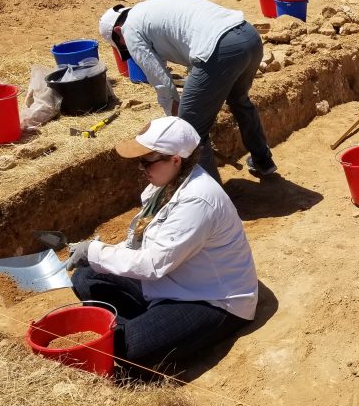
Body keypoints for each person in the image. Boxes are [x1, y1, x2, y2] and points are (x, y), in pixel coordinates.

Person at [66, 116, 259, 378]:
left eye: (147, 161)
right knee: (86, 277)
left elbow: (152, 264)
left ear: (175, 159)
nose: (141, 167)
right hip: (174, 280)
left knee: (127, 348)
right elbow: (142, 243)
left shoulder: (197, 201)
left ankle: (148, 331)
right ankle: (155, 327)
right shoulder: (166, 185)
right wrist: (95, 254)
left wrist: (95, 251)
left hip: (210, 299)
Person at [99, 0, 276, 182]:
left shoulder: (130, 30)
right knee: (239, 100)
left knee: (192, 129)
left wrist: (179, 120)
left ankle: (210, 195)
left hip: (221, 49)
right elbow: (194, 45)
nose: (127, 49)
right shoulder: (151, 8)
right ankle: (263, 161)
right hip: (249, 37)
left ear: (118, 31)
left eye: (122, 46)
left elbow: (162, 83)